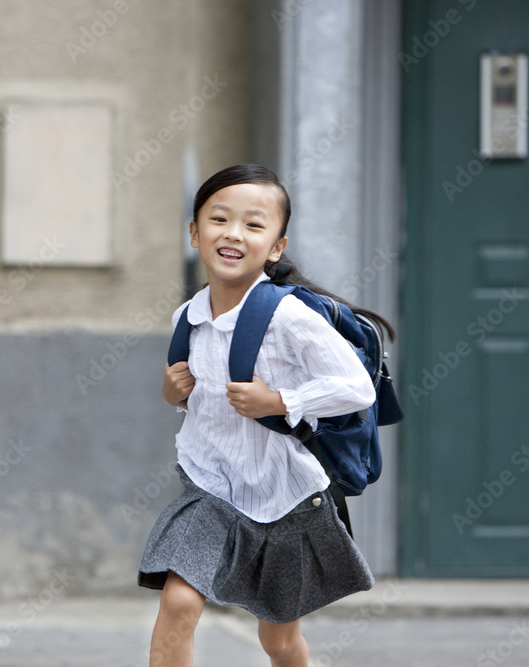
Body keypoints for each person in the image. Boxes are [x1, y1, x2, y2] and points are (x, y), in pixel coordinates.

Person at [138, 164, 393, 667]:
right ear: (195, 232)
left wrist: (279, 402)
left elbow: (355, 388)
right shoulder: (186, 319)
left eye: (254, 225)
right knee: (179, 601)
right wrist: (174, 394)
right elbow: (203, 404)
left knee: (278, 640)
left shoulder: (290, 317)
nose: (233, 234)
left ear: (276, 247)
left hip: (288, 496)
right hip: (211, 488)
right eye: (218, 219)